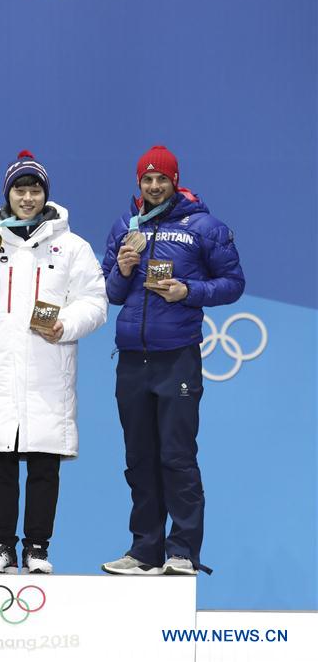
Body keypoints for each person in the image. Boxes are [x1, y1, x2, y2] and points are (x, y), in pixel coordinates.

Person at [0, 151, 107, 574]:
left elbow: (95, 302)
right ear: (8, 195)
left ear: (45, 195)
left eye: (35, 190)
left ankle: (37, 548)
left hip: (47, 370)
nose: (27, 197)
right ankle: (2, 547)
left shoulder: (71, 247)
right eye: (20, 190)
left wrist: (66, 324)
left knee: (43, 463)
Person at [101, 145, 245, 576]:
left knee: (177, 457)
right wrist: (123, 269)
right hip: (132, 359)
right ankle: (144, 550)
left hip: (177, 356)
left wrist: (189, 291)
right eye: (147, 179)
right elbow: (111, 293)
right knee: (139, 459)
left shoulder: (203, 226)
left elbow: (233, 282)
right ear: (138, 183)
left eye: (161, 178)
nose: (154, 186)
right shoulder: (126, 225)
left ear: (174, 180)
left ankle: (182, 551)